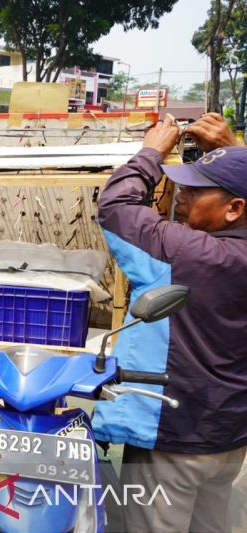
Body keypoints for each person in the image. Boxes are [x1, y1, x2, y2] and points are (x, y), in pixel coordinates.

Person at [92, 118, 247, 532]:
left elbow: (117, 209)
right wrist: (234, 149)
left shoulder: (191, 254)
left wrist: (151, 154)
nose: (181, 195)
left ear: (235, 209)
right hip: (229, 438)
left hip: (173, 437)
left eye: (196, 190)